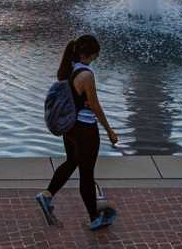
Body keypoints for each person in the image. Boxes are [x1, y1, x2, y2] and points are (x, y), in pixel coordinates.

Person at [36, 35, 118, 231]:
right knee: (87, 175)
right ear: (93, 54)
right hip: (85, 130)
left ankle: (47, 195)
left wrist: (85, 102)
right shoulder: (87, 75)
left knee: (72, 161)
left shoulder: (70, 68)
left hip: (70, 127)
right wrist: (109, 130)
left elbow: (78, 97)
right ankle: (94, 218)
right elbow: (95, 106)